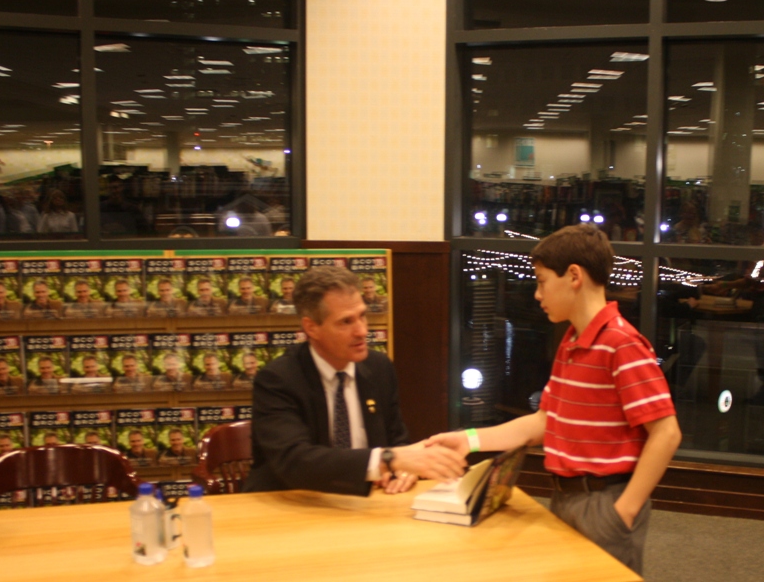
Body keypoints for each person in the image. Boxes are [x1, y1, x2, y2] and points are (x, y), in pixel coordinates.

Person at [427, 224, 681, 576]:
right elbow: (545, 422)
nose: (537, 293)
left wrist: (624, 510)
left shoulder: (622, 343)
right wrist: (468, 440)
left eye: (542, 281)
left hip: (604, 500)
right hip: (567, 496)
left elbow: (666, 433)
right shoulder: (572, 340)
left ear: (574, 276)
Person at [244, 266, 466, 496]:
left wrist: (403, 469)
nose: (361, 331)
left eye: (362, 315)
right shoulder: (278, 380)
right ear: (311, 328)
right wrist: (388, 460)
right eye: (345, 322)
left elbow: (397, 440)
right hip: (292, 506)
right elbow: (295, 461)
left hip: (367, 504)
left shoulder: (378, 368)